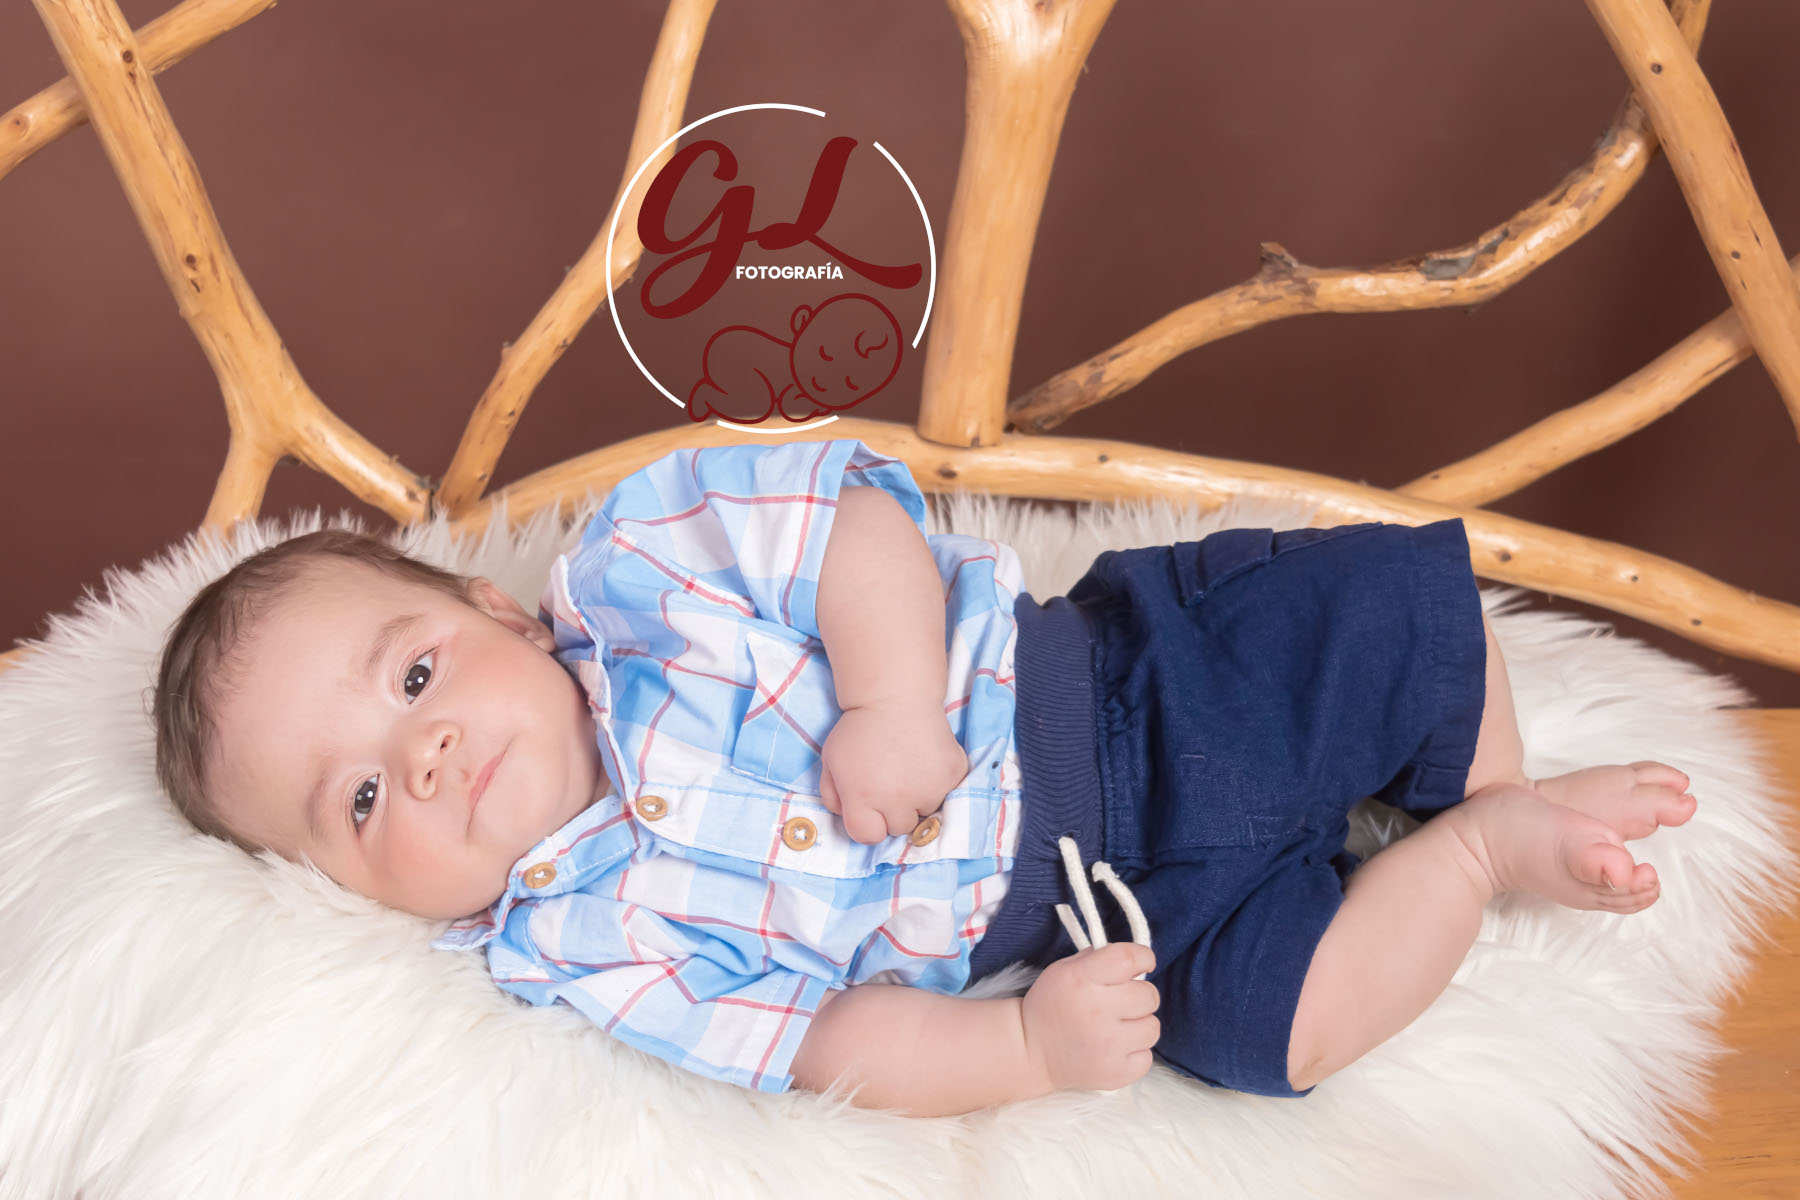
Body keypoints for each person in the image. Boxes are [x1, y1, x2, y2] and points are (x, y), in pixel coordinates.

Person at [151, 438, 1696, 1117]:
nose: (419, 756)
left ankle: (1472, 774)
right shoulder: (582, 946)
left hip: (1124, 688)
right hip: (1115, 924)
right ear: (347, 890)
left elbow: (846, 522)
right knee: (1276, 1038)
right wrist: (1023, 1046)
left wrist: (890, 698)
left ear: (494, 609)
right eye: (360, 804)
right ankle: (1477, 855)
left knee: (1369, 623)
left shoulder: (640, 576)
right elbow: (820, 1041)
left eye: (414, 677)